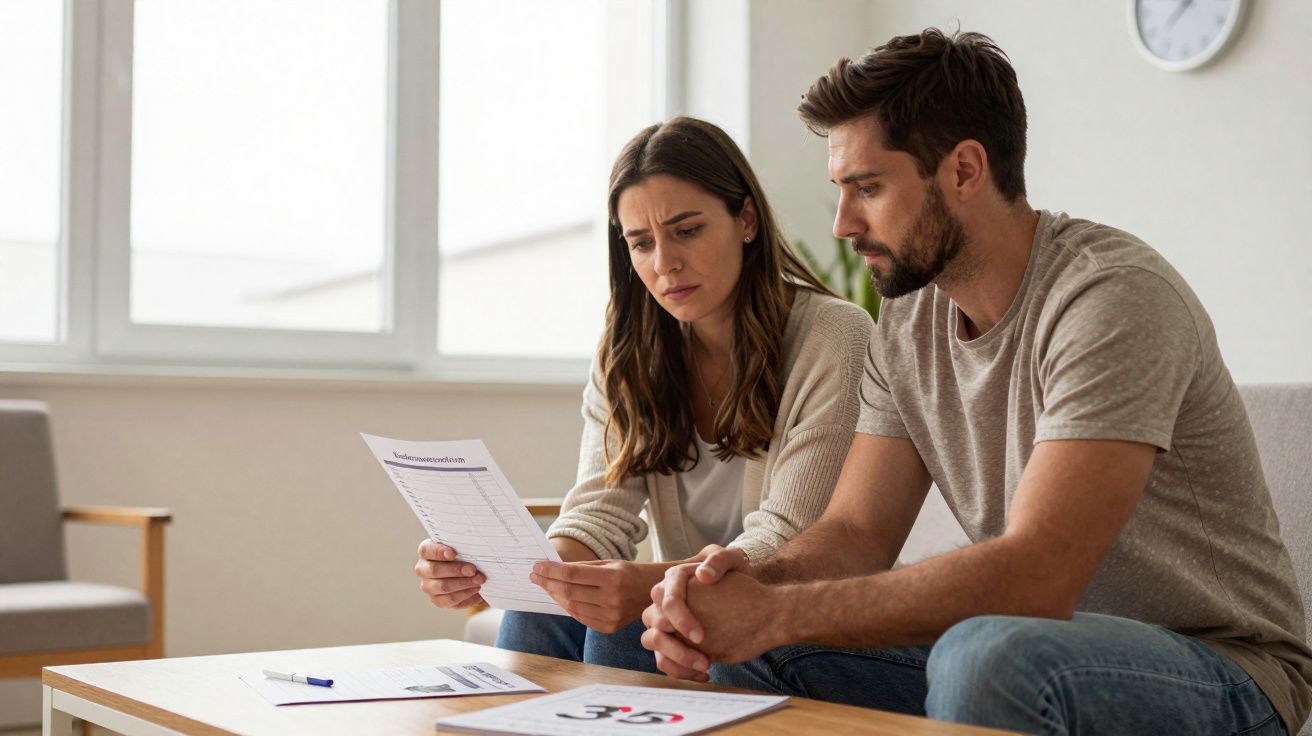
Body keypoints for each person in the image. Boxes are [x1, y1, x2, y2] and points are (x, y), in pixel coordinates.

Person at [639, 29, 1312, 735]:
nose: (842, 223)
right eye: (841, 190)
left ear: (964, 170)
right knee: (749, 652)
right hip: (1032, 644)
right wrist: (749, 583)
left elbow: (1037, 576)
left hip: (1223, 670)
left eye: (868, 187)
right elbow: (857, 531)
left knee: (986, 656)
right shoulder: (907, 320)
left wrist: (774, 612)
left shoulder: (1112, 298)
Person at [413, 116, 875, 673]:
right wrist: (514, 573)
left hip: (796, 610)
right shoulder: (629, 352)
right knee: (541, 613)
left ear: (745, 218)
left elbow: (788, 544)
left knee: (632, 628)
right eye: (641, 243)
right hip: (689, 602)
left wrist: (654, 581)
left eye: (687, 230)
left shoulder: (835, 336)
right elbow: (597, 517)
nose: (664, 263)